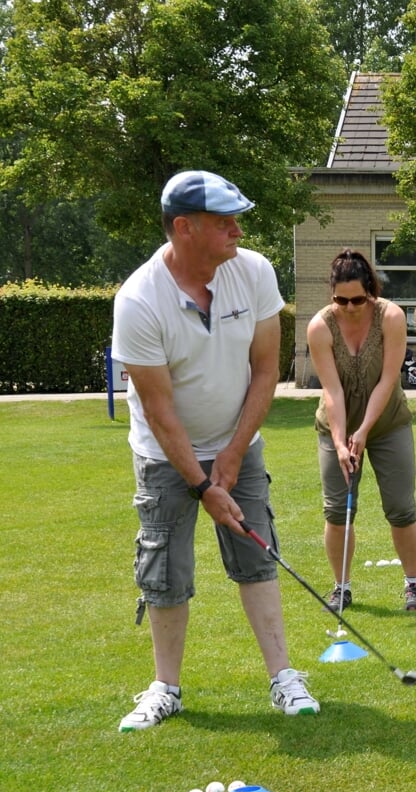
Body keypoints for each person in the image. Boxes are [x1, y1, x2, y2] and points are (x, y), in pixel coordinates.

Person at [111, 170, 318, 732]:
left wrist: (230, 456)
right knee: (164, 566)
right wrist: (203, 485)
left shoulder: (253, 272)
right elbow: (159, 411)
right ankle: (166, 688)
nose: (237, 228)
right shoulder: (138, 300)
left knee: (257, 554)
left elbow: (267, 370)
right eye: (223, 221)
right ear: (184, 228)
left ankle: (283, 678)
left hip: (238, 444)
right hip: (162, 453)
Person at [307, 248, 416, 613]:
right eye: (340, 300)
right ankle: (341, 587)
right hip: (336, 427)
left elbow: (388, 381)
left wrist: (364, 432)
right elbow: (333, 391)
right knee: (337, 511)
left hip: (388, 422)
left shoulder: (390, 316)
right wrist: (342, 441)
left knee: (401, 508)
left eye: (357, 298)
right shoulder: (319, 327)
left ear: (370, 291)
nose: (349, 306)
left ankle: (413, 585)